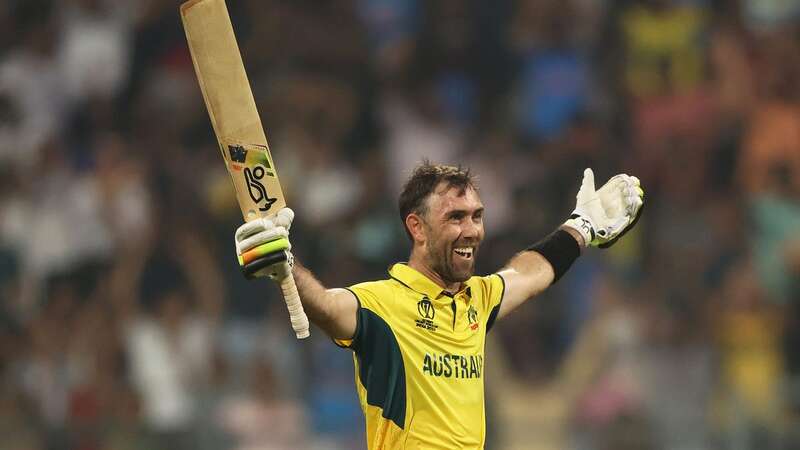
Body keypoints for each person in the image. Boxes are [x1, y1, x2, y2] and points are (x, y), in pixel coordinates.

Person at [233, 162, 644, 449]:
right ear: (417, 226)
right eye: (456, 217)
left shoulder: (477, 300)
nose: (472, 231)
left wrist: (581, 228)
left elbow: (530, 273)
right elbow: (324, 304)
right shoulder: (383, 303)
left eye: (477, 216)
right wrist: (285, 266)